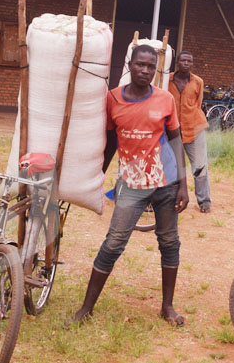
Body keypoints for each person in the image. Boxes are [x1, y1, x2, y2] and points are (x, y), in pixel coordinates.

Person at [70, 44, 189, 327]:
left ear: (155, 69)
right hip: (131, 183)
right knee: (113, 243)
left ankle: (167, 306)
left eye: (151, 66)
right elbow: (110, 143)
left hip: (166, 183)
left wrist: (184, 185)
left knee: (169, 242)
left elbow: (176, 140)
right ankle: (86, 308)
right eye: (140, 64)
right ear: (130, 66)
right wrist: (96, 175)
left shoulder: (165, 100)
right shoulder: (112, 99)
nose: (145, 70)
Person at [168, 50, 212, 213]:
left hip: (195, 128)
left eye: (190, 61)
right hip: (172, 130)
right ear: (177, 63)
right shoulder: (168, 80)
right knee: (172, 165)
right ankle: (172, 197)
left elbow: (198, 104)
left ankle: (204, 201)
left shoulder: (198, 81)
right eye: (183, 61)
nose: (187, 64)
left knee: (200, 166)